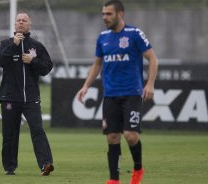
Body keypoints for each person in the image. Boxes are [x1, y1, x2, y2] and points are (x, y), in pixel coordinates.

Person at [76, 1, 158, 184]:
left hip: (132, 93)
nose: (104, 17)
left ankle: (138, 168)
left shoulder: (134, 34)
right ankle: (114, 180)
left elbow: (152, 58)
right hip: (110, 95)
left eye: (108, 14)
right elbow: (97, 63)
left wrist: (150, 84)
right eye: (103, 14)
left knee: (130, 135)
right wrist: (86, 86)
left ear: (120, 14)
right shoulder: (103, 37)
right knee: (112, 137)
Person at [0, 12, 54, 176]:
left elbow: (47, 67)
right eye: (18, 20)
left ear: (29, 24)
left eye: (24, 20)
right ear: (15, 24)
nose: (21, 23)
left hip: (31, 98)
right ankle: (9, 167)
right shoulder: (6, 43)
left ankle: (46, 164)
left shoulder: (37, 46)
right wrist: (14, 45)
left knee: (37, 130)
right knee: (10, 133)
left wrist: (33, 61)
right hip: (9, 98)